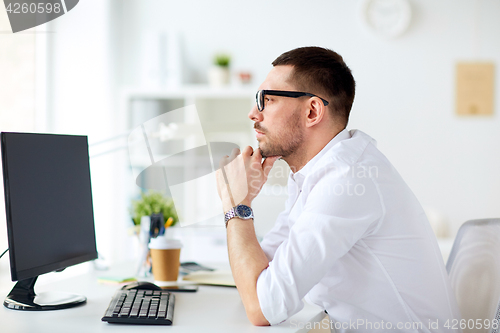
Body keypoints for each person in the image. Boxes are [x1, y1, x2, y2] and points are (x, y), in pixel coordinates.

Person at [216, 46, 460, 332]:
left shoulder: (347, 180)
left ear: (312, 111)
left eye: (266, 100)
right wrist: (241, 202)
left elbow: (262, 307)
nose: (253, 114)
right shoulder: (315, 176)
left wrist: (236, 204)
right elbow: (256, 279)